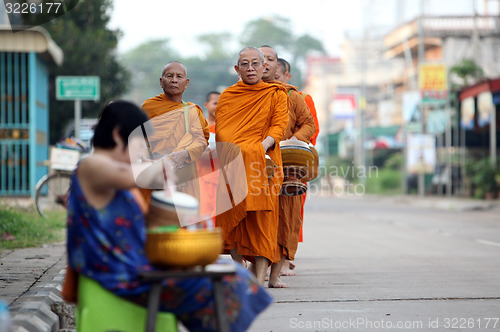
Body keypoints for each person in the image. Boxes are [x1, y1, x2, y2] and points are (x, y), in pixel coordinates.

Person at [63, 100, 273, 332]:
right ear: (117, 134)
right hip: (115, 270)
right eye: (140, 143)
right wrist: (165, 164)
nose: (143, 150)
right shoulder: (92, 165)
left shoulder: (110, 168)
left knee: (227, 274)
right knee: (227, 281)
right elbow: (135, 176)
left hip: (131, 262)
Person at [215, 47, 289, 286]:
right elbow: (224, 131)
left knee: (262, 220)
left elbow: (278, 127)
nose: (251, 68)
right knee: (235, 218)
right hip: (235, 164)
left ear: (264, 67)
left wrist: (259, 148)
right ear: (237, 69)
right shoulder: (228, 96)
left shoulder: (276, 93)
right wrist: (245, 150)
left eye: (255, 63)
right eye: (244, 64)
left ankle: (258, 279)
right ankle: (238, 268)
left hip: (264, 163)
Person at [259, 46, 316, 288]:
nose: (263, 65)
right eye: (257, 61)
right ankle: (255, 268)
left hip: (286, 166)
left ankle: (274, 274)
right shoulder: (239, 95)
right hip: (255, 165)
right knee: (256, 219)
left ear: (277, 67)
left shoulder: (292, 96)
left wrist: (296, 140)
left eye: (269, 60)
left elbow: (308, 124)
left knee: (285, 219)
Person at [139, 61, 210, 206]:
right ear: (161, 81)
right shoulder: (149, 107)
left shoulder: (192, 111)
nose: (174, 80)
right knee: (155, 223)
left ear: (186, 82)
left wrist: (183, 154)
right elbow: (139, 139)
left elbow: (201, 141)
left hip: (183, 176)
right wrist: (143, 159)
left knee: (184, 221)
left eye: (179, 76)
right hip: (153, 176)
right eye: (169, 76)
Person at [275, 57, 320, 276]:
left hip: (293, 162)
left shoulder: (300, 97)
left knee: (292, 213)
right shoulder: (257, 96)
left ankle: (286, 257)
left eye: (277, 75)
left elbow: (312, 128)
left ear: (286, 74)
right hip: (264, 161)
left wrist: (291, 146)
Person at [198, 91, 221, 225]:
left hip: (219, 177)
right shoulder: (201, 126)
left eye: (221, 103)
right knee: (204, 213)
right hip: (202, 176)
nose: (218, 107)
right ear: (206, 105)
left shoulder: (224, 128)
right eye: (215, 103)